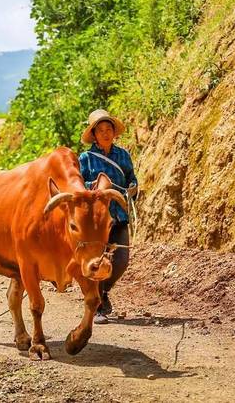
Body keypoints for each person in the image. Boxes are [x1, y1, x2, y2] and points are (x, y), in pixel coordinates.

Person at [78, 109, 138, 324]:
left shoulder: (123, 155)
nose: (105, 133)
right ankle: (97, 306)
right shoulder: (85, 159)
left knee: (121, 261)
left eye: (108, 129)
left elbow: (132, 178)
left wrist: (132, 188)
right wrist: (95, 186)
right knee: (98, 261)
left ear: (114, 132)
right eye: (100, 130)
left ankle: (101, 294)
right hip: (97, 221)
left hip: (119, 215)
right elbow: (78, 185)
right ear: (93, 135)